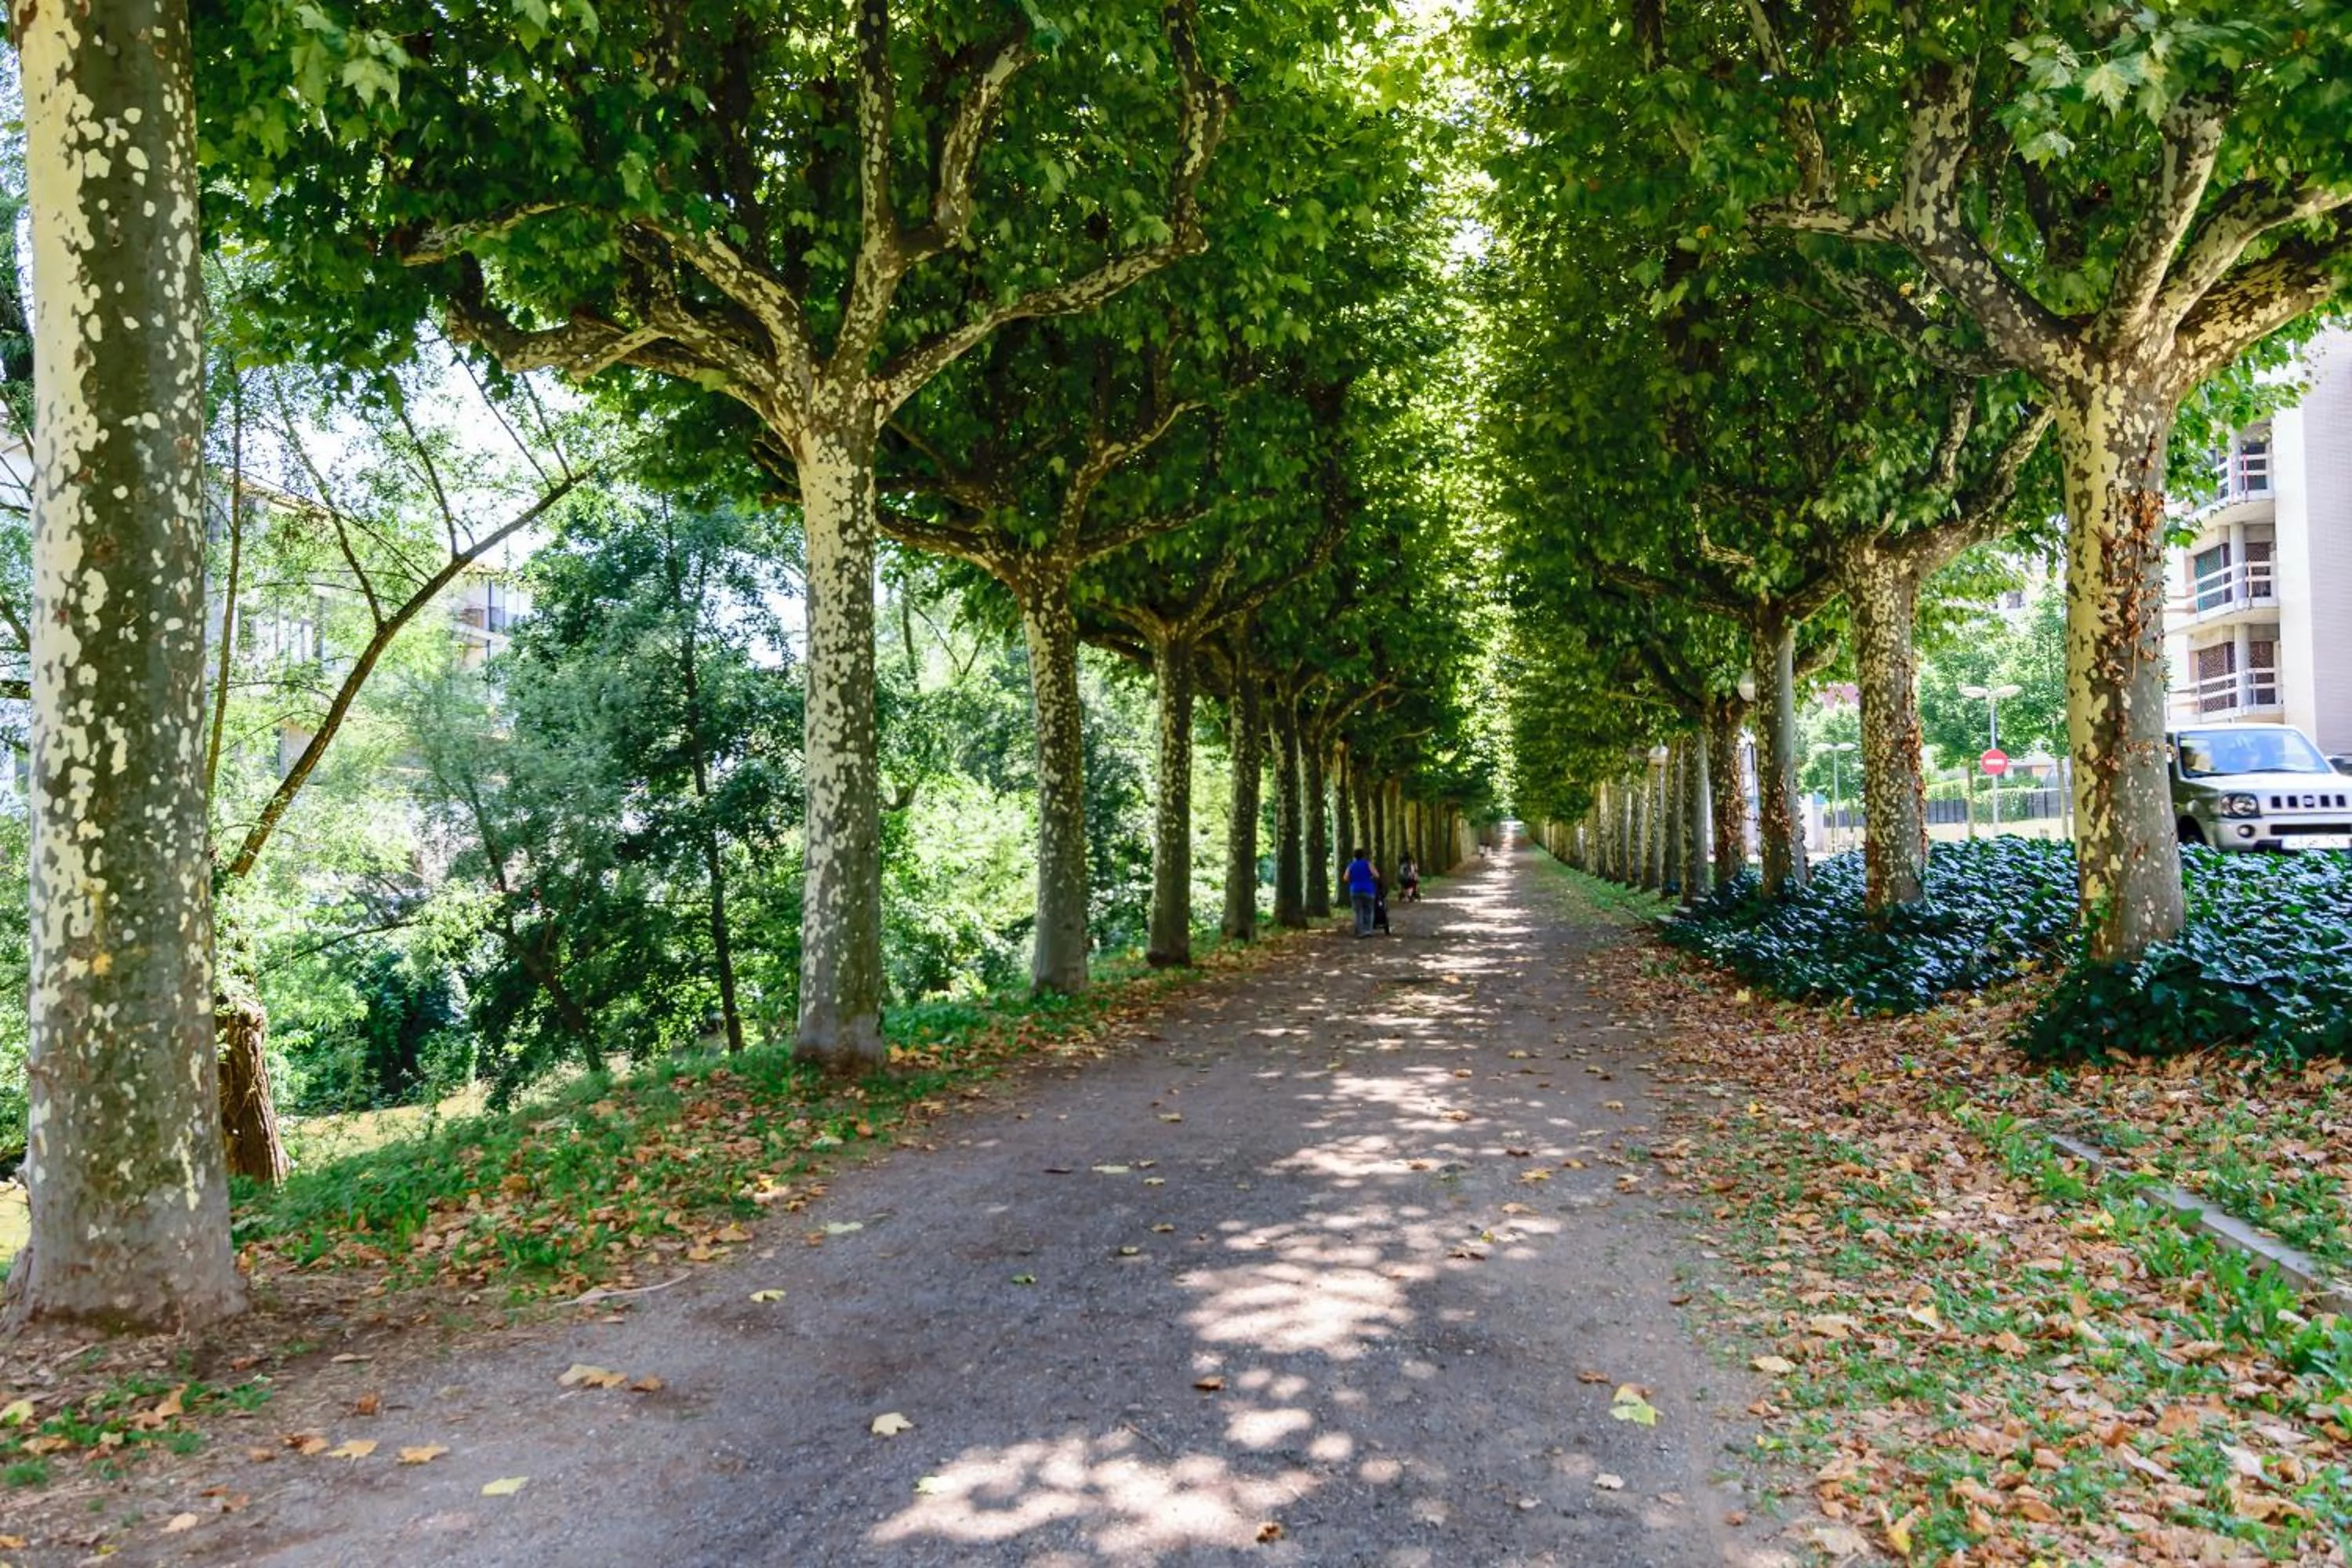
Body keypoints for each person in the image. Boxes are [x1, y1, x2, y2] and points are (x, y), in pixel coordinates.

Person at [1345, 848, 1379, 937]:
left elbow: (1345, 878)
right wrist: (1370, 877)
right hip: (1368, 890)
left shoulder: (1351, 866)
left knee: (1358, 912)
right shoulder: (1368, 864)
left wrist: (1353, 880)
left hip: (1355, 890)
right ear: (1363, 855)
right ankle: (1368, 931)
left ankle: (1360, 932)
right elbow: (1376, 875)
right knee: (1369, 911)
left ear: (1354, 856)